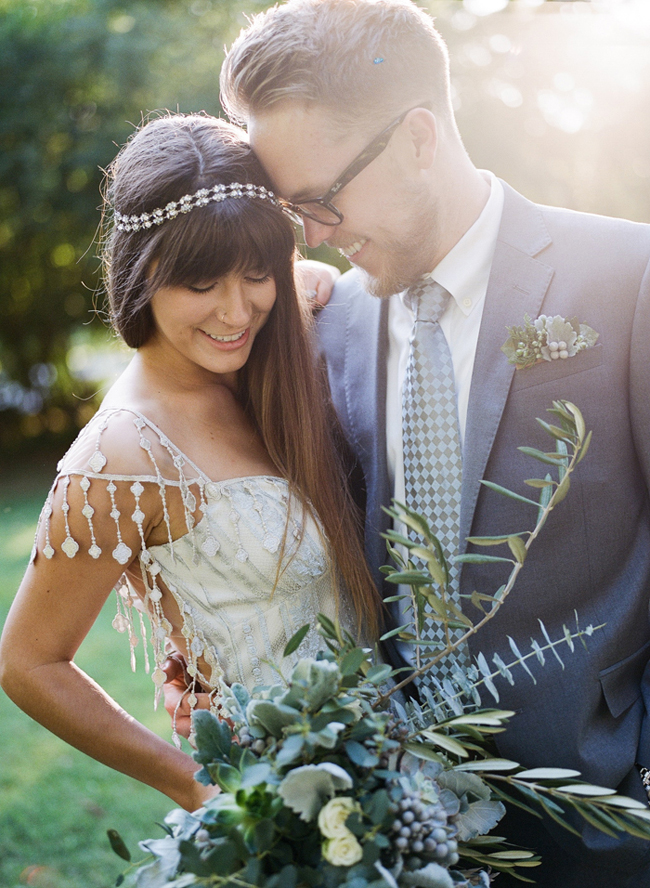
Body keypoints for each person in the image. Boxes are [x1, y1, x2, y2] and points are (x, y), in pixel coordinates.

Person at [217, 1, 650, 886]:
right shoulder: (324, 326)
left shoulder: (629, 279)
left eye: (320, 200)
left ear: (418, 138)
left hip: (605, 823)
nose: (312, 234)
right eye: (290, 209)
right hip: (399, 837)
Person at [0, 112, 380, 812]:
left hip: (388, 765)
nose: (236, 311)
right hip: (282, 806)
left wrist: (299, 285)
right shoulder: (122, 454)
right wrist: (194, 785)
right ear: (142, 273)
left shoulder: (267, 366)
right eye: (201, 283)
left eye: (256, 273)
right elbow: (28, 664)